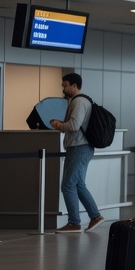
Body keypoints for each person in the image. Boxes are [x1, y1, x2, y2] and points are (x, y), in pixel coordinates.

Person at [49, 73, 104, 233]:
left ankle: (74, 222)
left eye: (65, 85)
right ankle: (95, 216)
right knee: (78, 184)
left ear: (74, 85)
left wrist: (58, 124)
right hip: (81, 147)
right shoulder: (79, 100)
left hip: (79, 147)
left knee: (67, 185)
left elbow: (74, 125)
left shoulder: (79, 101)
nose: (63, 88)